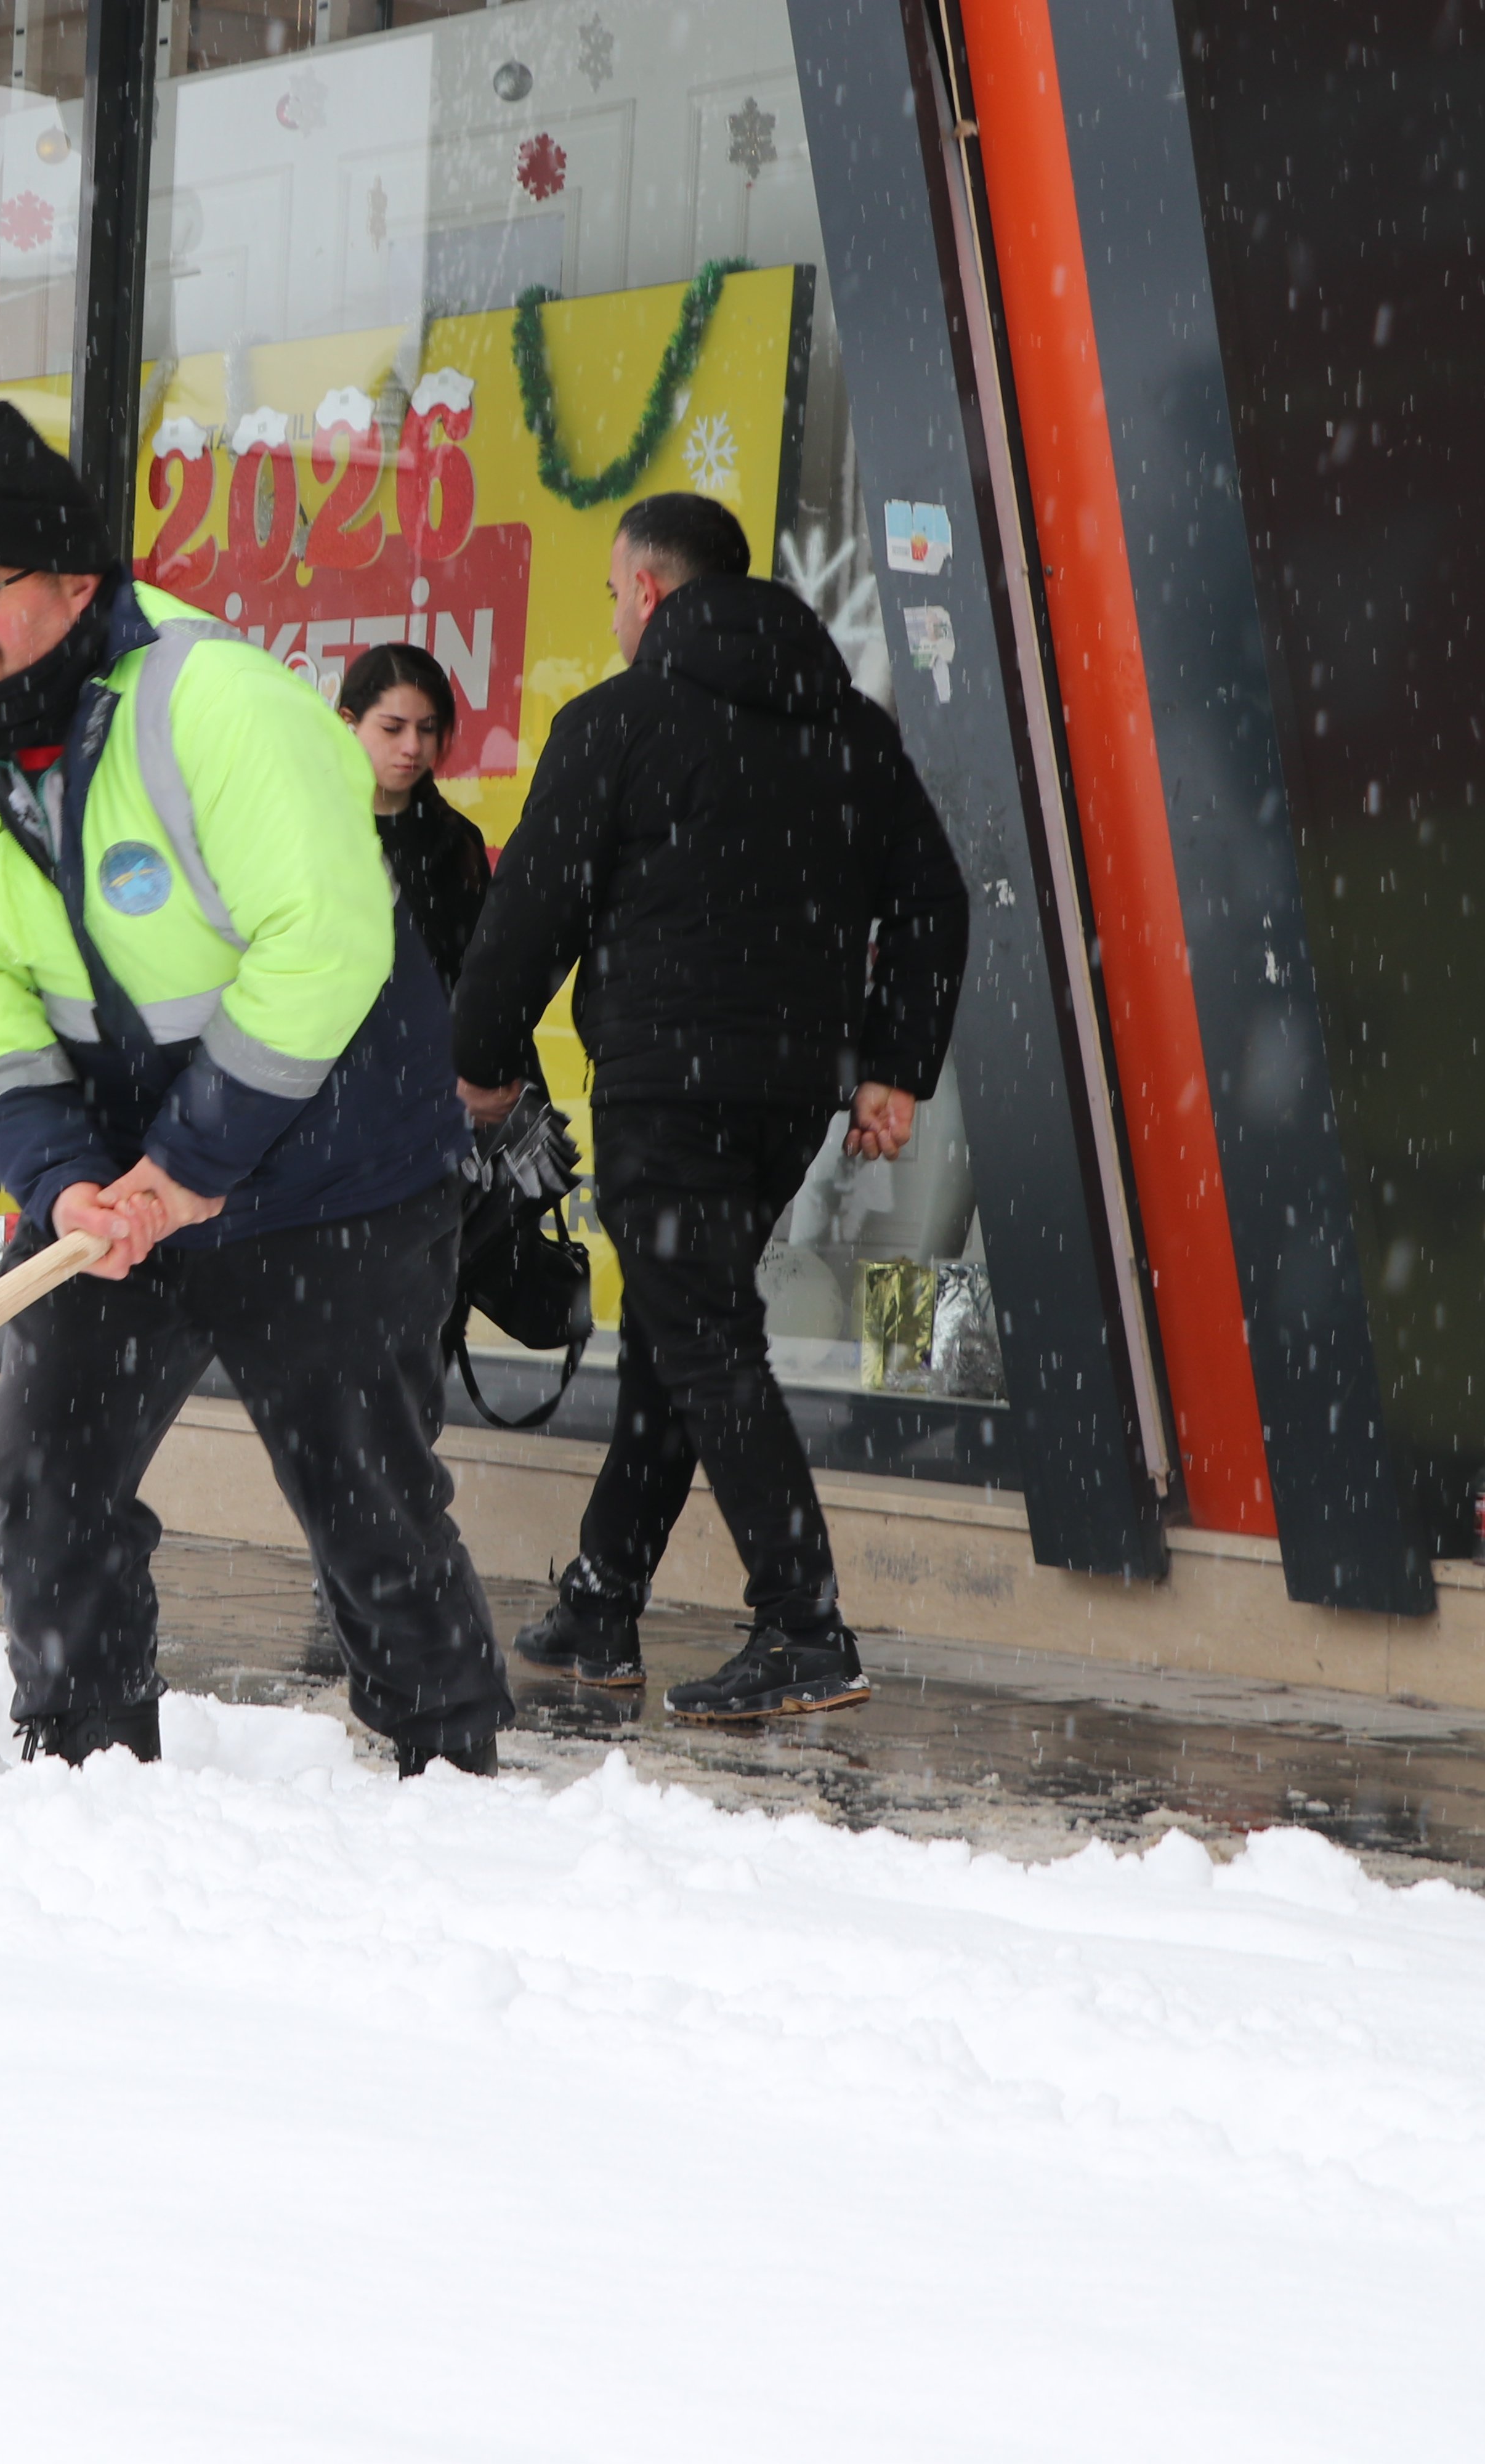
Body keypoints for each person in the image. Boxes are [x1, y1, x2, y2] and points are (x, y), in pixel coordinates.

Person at [0, 402, 505, 1775]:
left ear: (77, 585)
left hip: (331, 1172)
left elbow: (325, 942)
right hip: (121, 1191)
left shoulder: (219, 702)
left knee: (363, 1491)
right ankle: (87, 1759)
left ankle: (448, 1768)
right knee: (47, 1466)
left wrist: (201, 1154)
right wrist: (64, 1182)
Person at [449, 491, 969, 1720]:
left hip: (667, 1091)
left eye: (614, 593)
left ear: (645, 591)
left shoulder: (617, 722)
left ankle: (804, 1621)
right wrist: (893, 1065)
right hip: (789, 1099)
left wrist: (483, 1060)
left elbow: (529, 915)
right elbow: (938, 897)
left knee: (705, 1341)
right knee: (689, 1332)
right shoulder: (849, 728)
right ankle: (601, 1594)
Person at [337, 639, 490, 991]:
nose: (412, 747)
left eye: (427, 728)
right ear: (349, 722)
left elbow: (478, 975)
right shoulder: (310, 827)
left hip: (430, 1042)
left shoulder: (456, 840)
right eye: (392, 728)